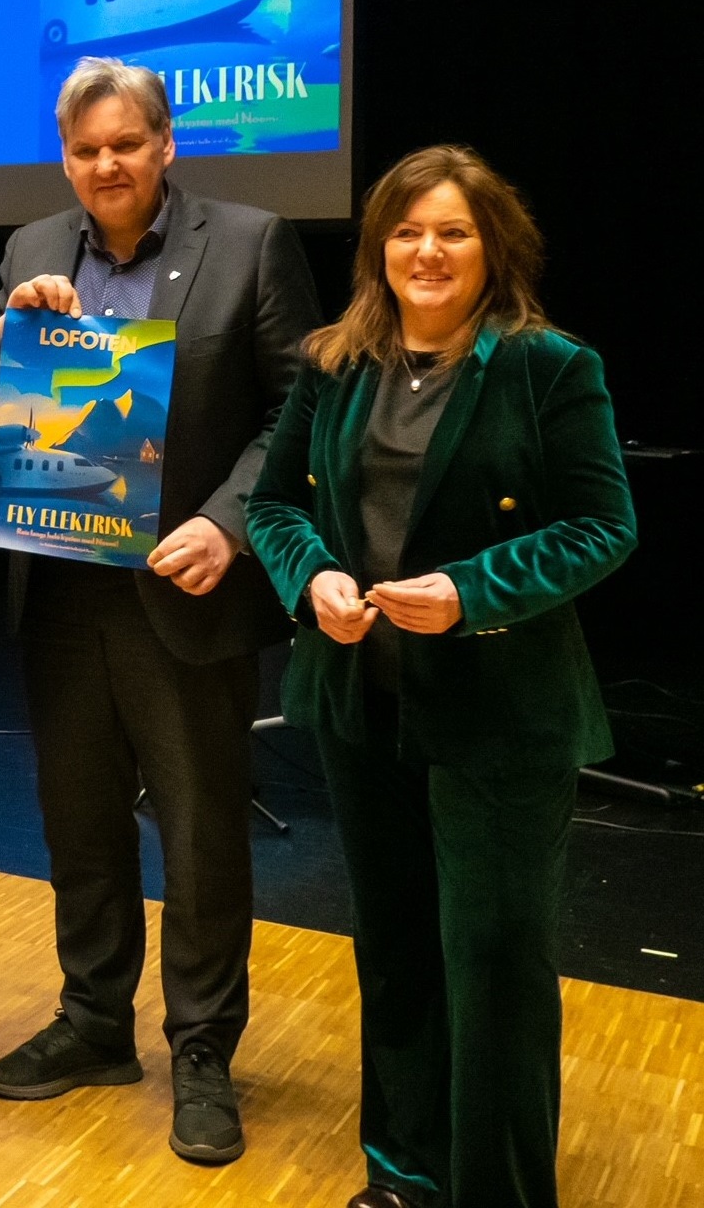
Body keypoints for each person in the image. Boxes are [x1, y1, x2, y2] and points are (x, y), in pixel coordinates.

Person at [245, 146, 634, 1208]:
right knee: (399, 952)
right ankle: (403, 1169)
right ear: (378, 244)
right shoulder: (333, 361)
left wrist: (471, 589)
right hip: (363, 708)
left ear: (491, 245)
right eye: (407, 230)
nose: (427, 250)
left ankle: (496, 1190)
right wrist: (310, 573)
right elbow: (273, 505)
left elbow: (604, 525)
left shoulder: (548, 365)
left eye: (452, 231)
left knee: (497, 968)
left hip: (499, 716)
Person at [0, 56, 320, 1165]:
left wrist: (227, 521)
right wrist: (2, 331)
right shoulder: (30, 249)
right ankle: (92, 1022)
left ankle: (204, 1050)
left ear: (165, 144)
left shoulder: (252, 241)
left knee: (202, 832)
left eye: (124, 144)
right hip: (60, 585)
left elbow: (295, 413)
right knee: (77, 823)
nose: (104, 165)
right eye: (83, 151)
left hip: (187, 593)